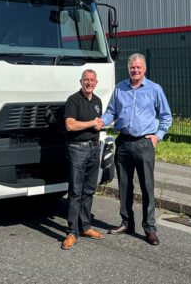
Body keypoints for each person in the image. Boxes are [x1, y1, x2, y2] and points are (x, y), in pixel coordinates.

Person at [101, 52, 172, 245]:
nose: (135, 70)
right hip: (123, 142)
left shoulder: (154, 89)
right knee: (124, 186)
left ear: (144, 69)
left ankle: (149, 228)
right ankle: (126, 222)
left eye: (138, 67)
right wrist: (101, 121)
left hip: (144, 143)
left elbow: (166, 116)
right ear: (128, 69)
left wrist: (158, 136)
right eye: (132, 67)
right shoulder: (120, 89)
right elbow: (111, 112)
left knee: (147, 187)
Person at [61, 69, 106, 250]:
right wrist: (92, 123)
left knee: (89, 190)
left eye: (92, 80)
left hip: (94, 149)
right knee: (75, 192)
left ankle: (85, 226)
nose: (89, 83)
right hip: (77, 150)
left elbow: (95, 124)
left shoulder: (97, 101)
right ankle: (72, 232)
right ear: (81, 82)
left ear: (96, 83)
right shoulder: (73, 100)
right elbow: (70, 125)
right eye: (86, 80)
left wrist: (98, 126)